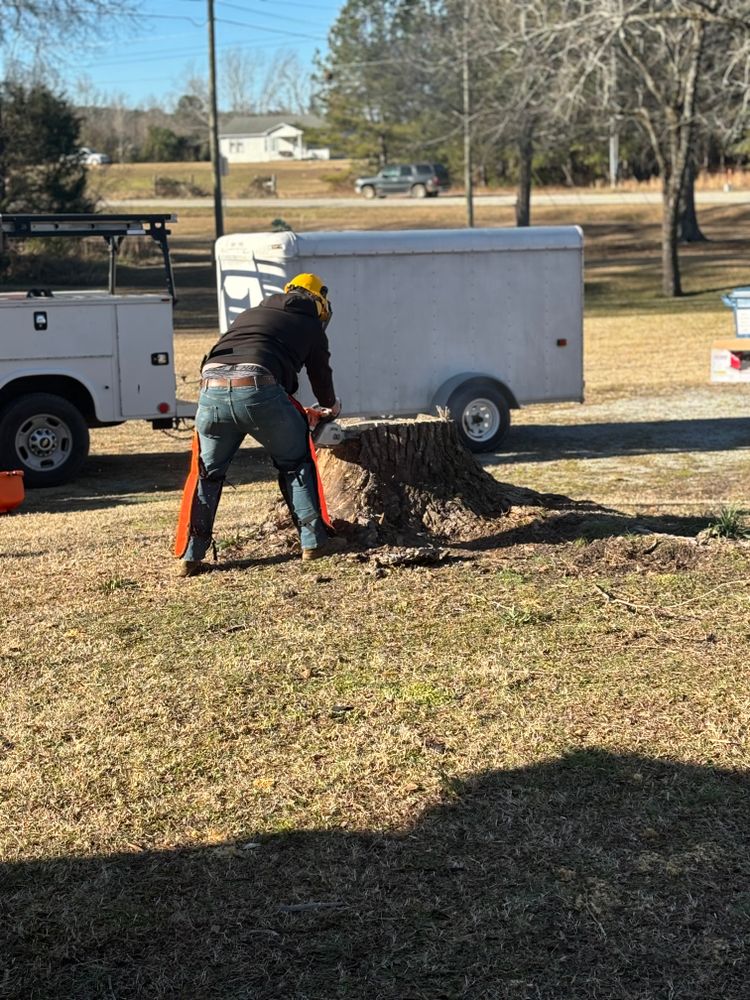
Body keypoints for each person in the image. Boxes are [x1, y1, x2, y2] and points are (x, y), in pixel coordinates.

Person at [175, 273, 343, 576]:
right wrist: (330, 406)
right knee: (295, 462)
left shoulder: (251, 314)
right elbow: (320, 374)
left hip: (210, 390)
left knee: (207, 475)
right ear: (319, 303)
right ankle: (313, 542)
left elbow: (231, 357)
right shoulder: (310, 325)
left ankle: (191, 555)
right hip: (260, 390)